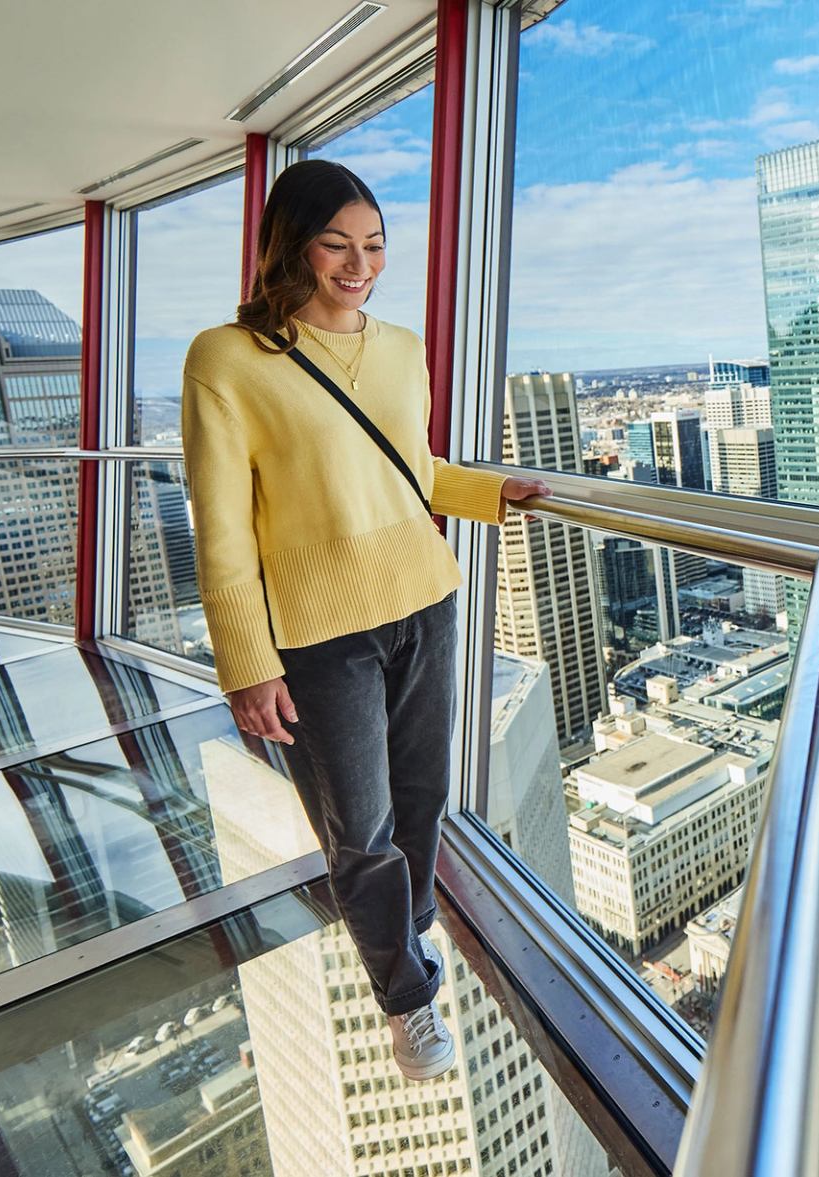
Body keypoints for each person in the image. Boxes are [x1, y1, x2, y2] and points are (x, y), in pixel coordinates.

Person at [182, 159, 548, 1081]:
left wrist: (488, 490)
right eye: (337, 243)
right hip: (316, 631)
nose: (360, 264)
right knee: (361, 826)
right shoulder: (227, 358)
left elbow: (410, 469)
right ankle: (407, 999)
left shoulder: (399, 346)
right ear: (290, 245)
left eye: (375, 245)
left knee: (424, 800)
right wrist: (245, 661)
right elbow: (221, 527)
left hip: (424, 597)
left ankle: (404, 934)